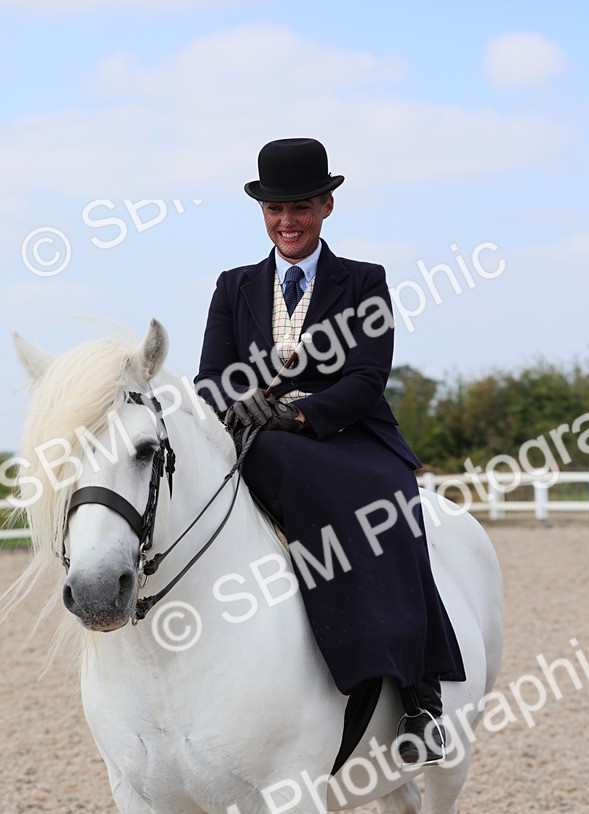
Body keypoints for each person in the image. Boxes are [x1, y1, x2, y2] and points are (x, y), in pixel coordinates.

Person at [194, 137, 465, 764]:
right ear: (262, 213)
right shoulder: (233, 287)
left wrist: (299, 412)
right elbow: (211, 376)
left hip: (347, 434)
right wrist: (242, 405)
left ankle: (419, 695)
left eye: (300, 208)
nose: (286, 221)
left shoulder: (364, 281)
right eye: (274, 210)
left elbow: (368, 378)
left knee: (392, 509)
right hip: (256, 435)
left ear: (327, 206)